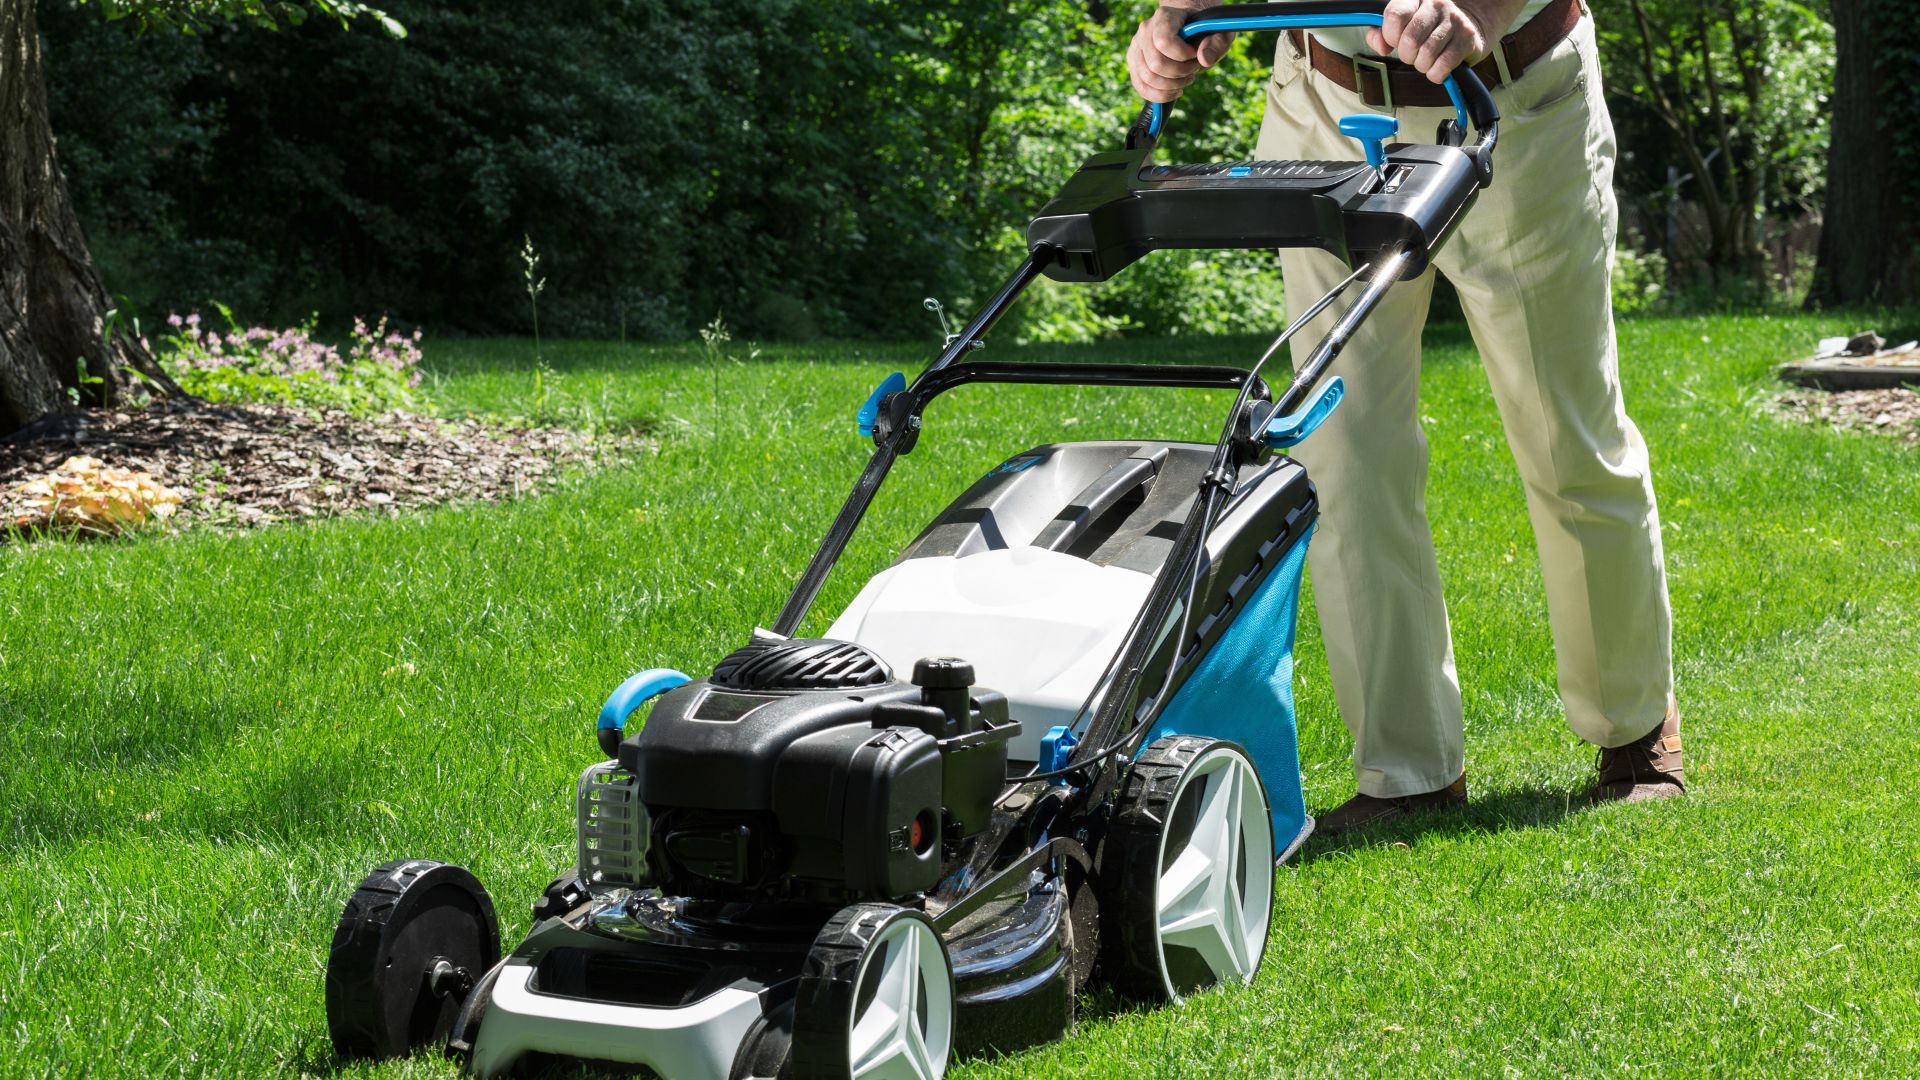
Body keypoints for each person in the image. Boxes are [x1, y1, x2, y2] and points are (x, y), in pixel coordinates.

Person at [1126, 0, 1685, 835]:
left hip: (1516, 95)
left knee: (1564, 429)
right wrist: (1177, 21)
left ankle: (1633, 726)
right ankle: (1405, 767)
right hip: (1322, 102)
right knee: (1342, 445)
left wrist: (1485, 10)